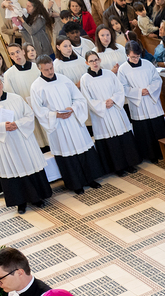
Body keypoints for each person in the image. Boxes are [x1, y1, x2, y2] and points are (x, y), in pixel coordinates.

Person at [30, 55, 106, 195]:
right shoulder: (36, 87)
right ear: (39, 69)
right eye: (46, 70)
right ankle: (76, 184)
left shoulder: (64, 79)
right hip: (58, 126)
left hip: (73, 120)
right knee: (68, 155)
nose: (50, 71)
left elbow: (79, 98)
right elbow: (38, 110)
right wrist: (55, 115)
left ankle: (90, 179)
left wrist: (73, 108)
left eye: (51, 68)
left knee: (83, 150)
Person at [0, 75, 53, 214]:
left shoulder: (16, 98)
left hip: (22, 140)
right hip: (5, 144)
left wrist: (17, 124)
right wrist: (2, 127)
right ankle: (20, 203)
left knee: (29, 166)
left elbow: (29, 115)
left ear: (2, 84)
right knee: (13, 171)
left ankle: (37, 198)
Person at [81, 50, 141, 176]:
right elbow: (87, 99)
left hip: (115, 109)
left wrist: (113, 100)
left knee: (123, 137)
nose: (94, 63)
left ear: (100, 60)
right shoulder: (85, 79)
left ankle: (130, 164)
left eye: (96, 60)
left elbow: (119, 89)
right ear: (87, 63)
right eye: (91, 61)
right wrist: (103, 104)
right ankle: (118, 168)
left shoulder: (109, 74)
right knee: (110, 142)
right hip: (101, 115)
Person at [118, 41, 165, 162]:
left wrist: (149, 89)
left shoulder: (147, 64)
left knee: (157, 127)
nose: (136, 59)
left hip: (151, 101)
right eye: (133, 57)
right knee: (144, 131)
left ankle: (164, 152)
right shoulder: (123, 69)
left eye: (137, 56)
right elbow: (122, 87)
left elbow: (157, 80)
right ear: (127, 55)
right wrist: (138, 92)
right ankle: (150, 155)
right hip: (138, 104)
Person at [3, 43, 49, 150]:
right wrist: (26, 107)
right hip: (25, 111)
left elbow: (45, 87)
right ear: (10, 56)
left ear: (23, 52)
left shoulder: (37, 68)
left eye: (18, 52)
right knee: (37, 141)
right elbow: (11, 97)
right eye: (12, 54)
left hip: (42, 106)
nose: (16, 55)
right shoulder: (8, 75)